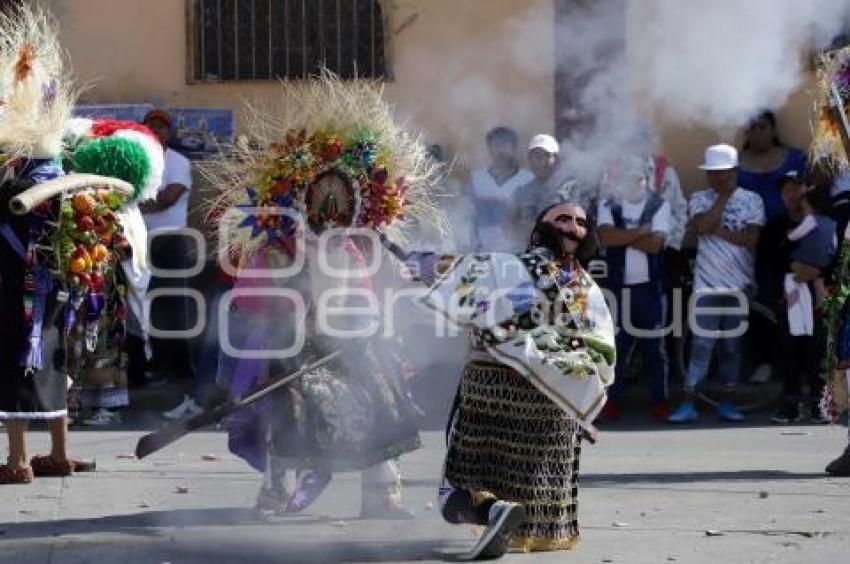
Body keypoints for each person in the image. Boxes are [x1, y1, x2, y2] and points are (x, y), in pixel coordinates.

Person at [386, 202, 616, 558]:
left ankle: (492, 511)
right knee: (523, 482)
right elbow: (600, 358)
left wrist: (407, 255)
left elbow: (598, 353)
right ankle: (500, 515)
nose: (573, 226)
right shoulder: (512, 267)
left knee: (459, 486)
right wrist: (582, 403)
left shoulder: (568, 284)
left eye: (581, 222)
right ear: (541, 227)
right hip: (532, 396)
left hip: (520, 395)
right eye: (564, 219)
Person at [668, 144, 765, 423]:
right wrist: (722, 199)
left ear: (733, 172)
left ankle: (728, 403)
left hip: (739, 285)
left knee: (732, 347)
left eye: (720, 173)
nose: (714, 178)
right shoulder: (699, 197)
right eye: (711, 173)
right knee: (701, 345)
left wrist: (716, 229)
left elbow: (751, 240)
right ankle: (689, 404)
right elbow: (700, 226)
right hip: (706, 286)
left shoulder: (752, 200)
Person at [597, 157, 672, 421]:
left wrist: (622, 238)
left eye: (638, 178)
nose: (633, 183)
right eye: (628, 178)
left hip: (650, 290)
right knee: (615, 348)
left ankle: (660, 401)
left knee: (655, 348)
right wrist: (642, 231)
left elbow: (656, 246)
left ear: (646, 179)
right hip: (618, 289)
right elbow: (606, 238)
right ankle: (611, 401)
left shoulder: (660, 205)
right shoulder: (609, 204)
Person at [138, 109, 201, 420]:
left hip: (170, 244)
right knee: (143, 312)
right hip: (138, 244)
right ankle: (155, 371)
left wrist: (139, 202)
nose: (156, 131)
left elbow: (167, 199)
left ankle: (184, 379)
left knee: (174, 312)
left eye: (161, 127)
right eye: (151, 126)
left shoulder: (177, 162)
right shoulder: (138, 161)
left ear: (169, 132)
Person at [737, 110, 807, 384]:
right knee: (761, 302)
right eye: (752, 128)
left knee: (794, 301)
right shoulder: (738, 163)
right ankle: (764, 361)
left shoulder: (794, 159)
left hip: (790, 237)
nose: (757, 133)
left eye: (763, 127)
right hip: (751, 244)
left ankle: (799, 366)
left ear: (773, 130)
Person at [771, 173, 835, 424]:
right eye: (786, 191)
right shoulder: (776, 225)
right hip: (790, 293)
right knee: (790, 349)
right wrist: (793, 269)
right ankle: (790, 404)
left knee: (818, 348)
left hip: (820, 292)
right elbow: (773, 257)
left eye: (797, 190)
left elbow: (837, 255)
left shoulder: (826, 222)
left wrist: (819, 274)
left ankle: (821, 403)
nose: (793, 196)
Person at [511, 134, 581, 247]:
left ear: (557, 159)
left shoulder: (570, 187)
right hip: (528, 252)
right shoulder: (522, 191)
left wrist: (533, 228)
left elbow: (573, 223)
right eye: (535, 156)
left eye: (546, 156)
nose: (540, 162)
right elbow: (509, 224)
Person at [468, 127, 532, 252]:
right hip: (483, 250)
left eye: (505, 145)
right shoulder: (477, 178)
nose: (500, 151)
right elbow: (469, 215)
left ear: (514, 149)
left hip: (517, 248)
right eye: (495, 145)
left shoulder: (527, 179)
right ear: (489, 149)